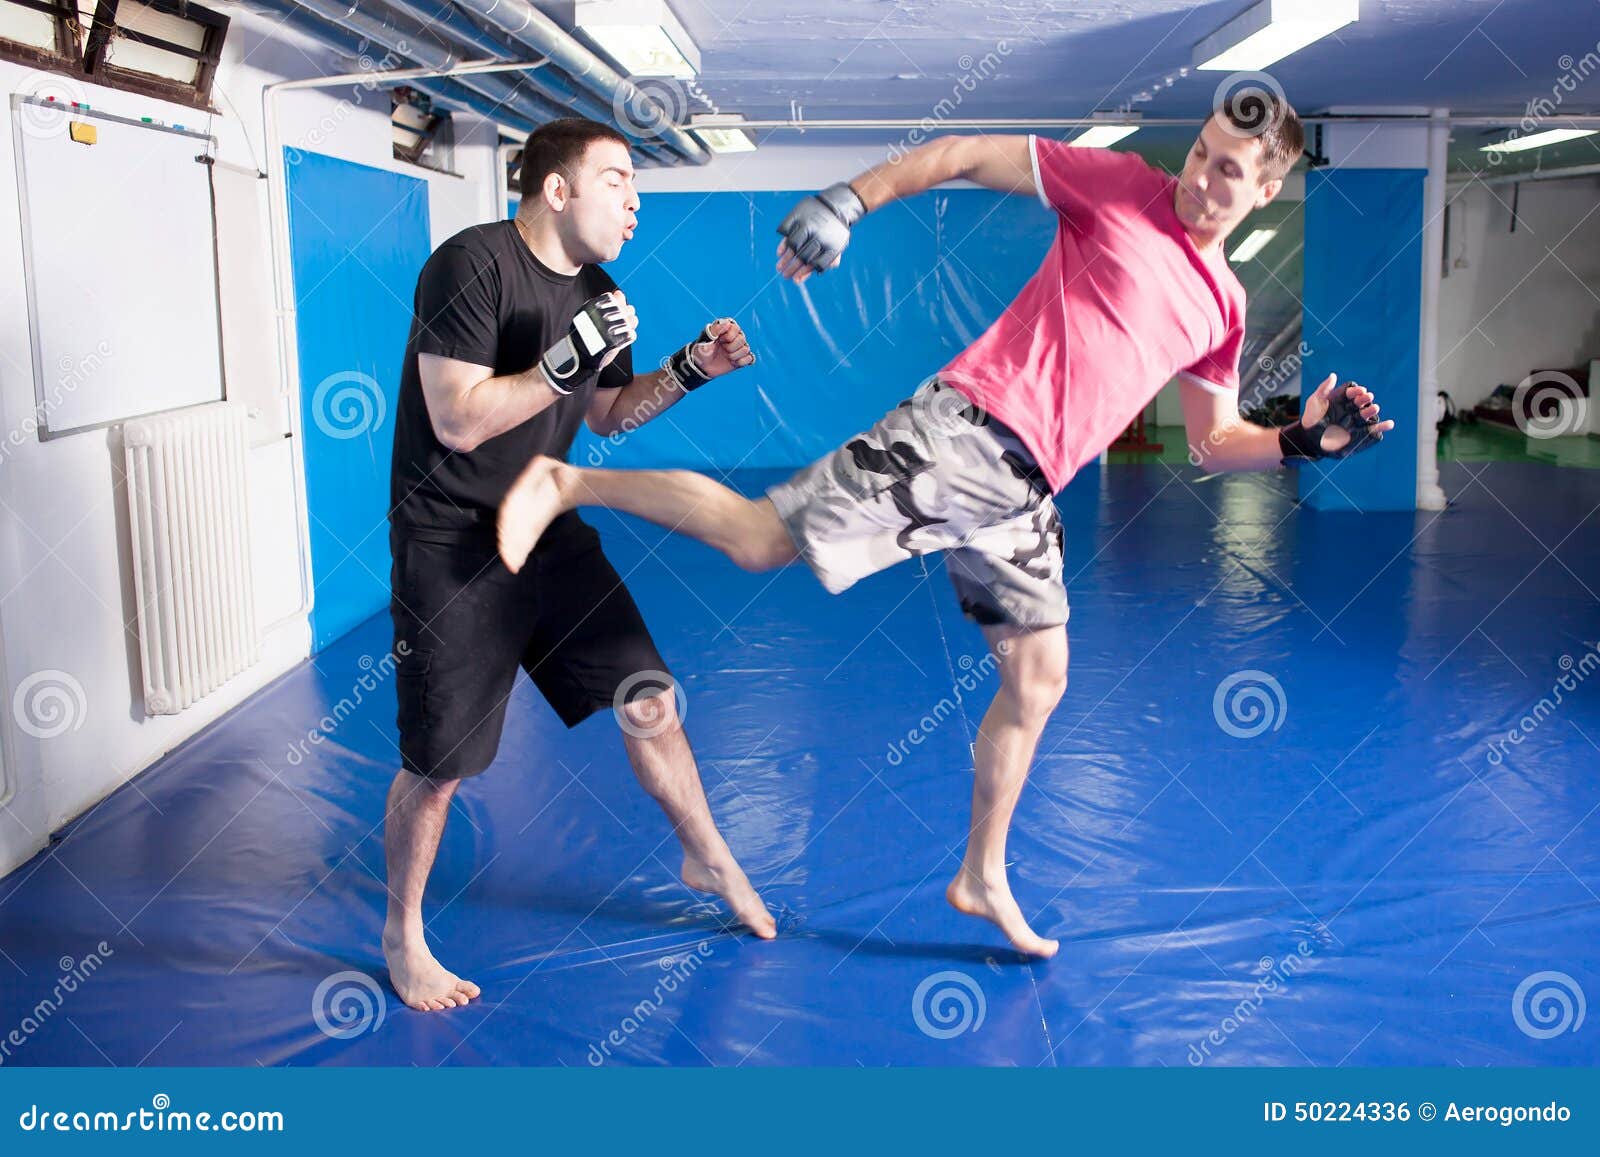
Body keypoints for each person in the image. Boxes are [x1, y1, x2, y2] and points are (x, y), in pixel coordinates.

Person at [496, 92, 1395, 959]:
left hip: (1027, 487)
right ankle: (567, 479)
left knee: (1039, 677)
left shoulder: (1223, 306)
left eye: (1228, 171)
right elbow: (964, 153)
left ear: (1268, 188)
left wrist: (1300, 443)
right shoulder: (1120, 184)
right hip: (966, 432)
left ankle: (982, 875)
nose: (1200, 177)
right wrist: (849, 200)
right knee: (759, 539)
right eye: (1200, 153)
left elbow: (1211, 440)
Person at [383, 117, 775, 1013]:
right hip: (452, 543)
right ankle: (403, 934)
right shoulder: (469, 264)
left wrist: (688, 368)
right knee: (439, 764)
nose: (635, 202)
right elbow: (458, 419)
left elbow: (607, 415)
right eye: (619, 181)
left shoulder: (602, 291)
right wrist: (564, 360)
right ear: (557, 189)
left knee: (649, 696)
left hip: (549, 531)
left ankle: (704, 850)